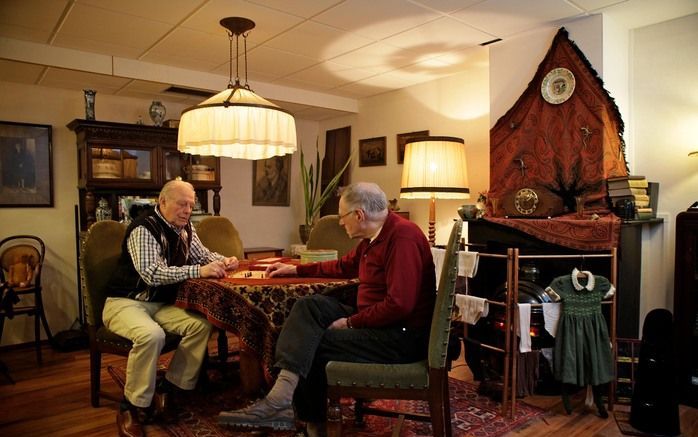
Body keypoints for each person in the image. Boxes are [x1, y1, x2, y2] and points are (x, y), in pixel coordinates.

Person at [218, 182, 436, 436]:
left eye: (342, 217)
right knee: (310, 307)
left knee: (311, 344)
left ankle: (312, 423)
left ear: (359, 215)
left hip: (401, 337)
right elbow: (344, 266)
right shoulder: (374, 237)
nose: (341, 224)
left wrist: (352, 323)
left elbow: (400, 305)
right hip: (382, 324)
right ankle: (281, 399)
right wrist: (297, 269)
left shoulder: (402, 238)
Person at [104, 180, 239, 437]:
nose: (187, 210)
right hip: (125, 302)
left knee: (201, 325)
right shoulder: (144, 228)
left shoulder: (186, 228)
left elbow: (203, 255)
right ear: (162, 202)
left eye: (191, 204)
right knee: (151, 335)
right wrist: (200, 271)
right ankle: (130, 406)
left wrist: (225, 260)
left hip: (159, 304)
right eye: (182, 204)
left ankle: (168, 387)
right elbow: (152, 274)